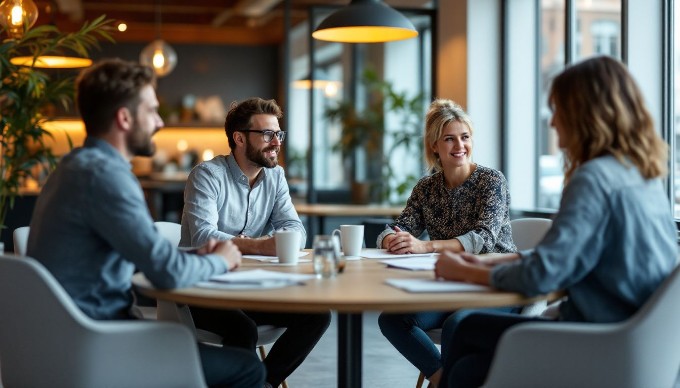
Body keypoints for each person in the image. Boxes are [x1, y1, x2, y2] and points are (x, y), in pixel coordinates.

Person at [434, 56, 678, 388]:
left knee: (466, 344)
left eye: (558, 109)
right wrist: (490, 261)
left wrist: (465, 271)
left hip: (601, 338)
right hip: (643, 342)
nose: (552, 122)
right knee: (468, 342)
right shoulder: (641, 175)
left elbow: (542, 275)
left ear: (585, 115)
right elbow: (567, 258)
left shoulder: (593, 179)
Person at [26, 59, 265, 387]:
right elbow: (166, 274)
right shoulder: (106, 177)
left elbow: (146, 257)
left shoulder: (73, 167)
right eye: (152, 110)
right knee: (249, 369)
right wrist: (220, 261)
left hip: (64, 340)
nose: (160, 121)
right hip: (101, 344)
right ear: (124, 118)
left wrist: (199, 257)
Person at [179, 97, 331, 388]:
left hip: (251, 288)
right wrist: (260, 245)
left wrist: (280, 241)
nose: (276, 142)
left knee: (317, 314)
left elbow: (295, 228)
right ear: (238, 138)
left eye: (278, 134)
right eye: (267, 134)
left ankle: (262, 383)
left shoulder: (276, 176)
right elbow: (203, 236)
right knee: (243, 329)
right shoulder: (207, 176)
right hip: (201, 291)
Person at [377, 99, 517, 387]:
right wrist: (392, 238)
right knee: (392, 319)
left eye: (464, 137)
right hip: (451, 285)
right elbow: (400, 225)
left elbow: (483, 238)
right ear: (434, 145)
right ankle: (444, 380)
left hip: (494, 286)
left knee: (458, 324)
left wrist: (424, 246)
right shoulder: (427, 188)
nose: (459, 146)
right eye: (450, 139)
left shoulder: (491, 181)